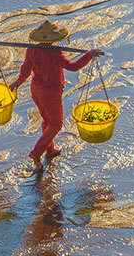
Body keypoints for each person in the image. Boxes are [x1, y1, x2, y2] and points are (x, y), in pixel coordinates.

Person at [8, 20, 105, 169]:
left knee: (47, 121)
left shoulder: (31, 50)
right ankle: (37, 151)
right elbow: (73, 67)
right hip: (51, 92)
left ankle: (50, 150)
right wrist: (88, 55)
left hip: (36, 90)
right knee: (56, 124)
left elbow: (26, 69)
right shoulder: (56, 54)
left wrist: (18, 82)